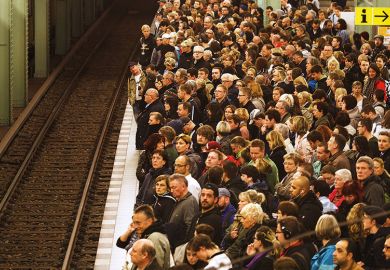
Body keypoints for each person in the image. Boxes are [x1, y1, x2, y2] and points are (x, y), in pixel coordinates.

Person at [117, 205, 171, 269]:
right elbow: (120, 243)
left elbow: (156, 266)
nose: (135, 226)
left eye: (138, 223)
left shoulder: (154, 238)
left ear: (149, 221)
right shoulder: (145, 234)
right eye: (134, 223)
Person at [167, 174, 200, 248]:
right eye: (170, 188)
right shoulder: (180, 200)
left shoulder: (189, 202)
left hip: (181, 246)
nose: (171, 191)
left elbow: (190, 226)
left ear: (183, 186)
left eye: (174, 187)